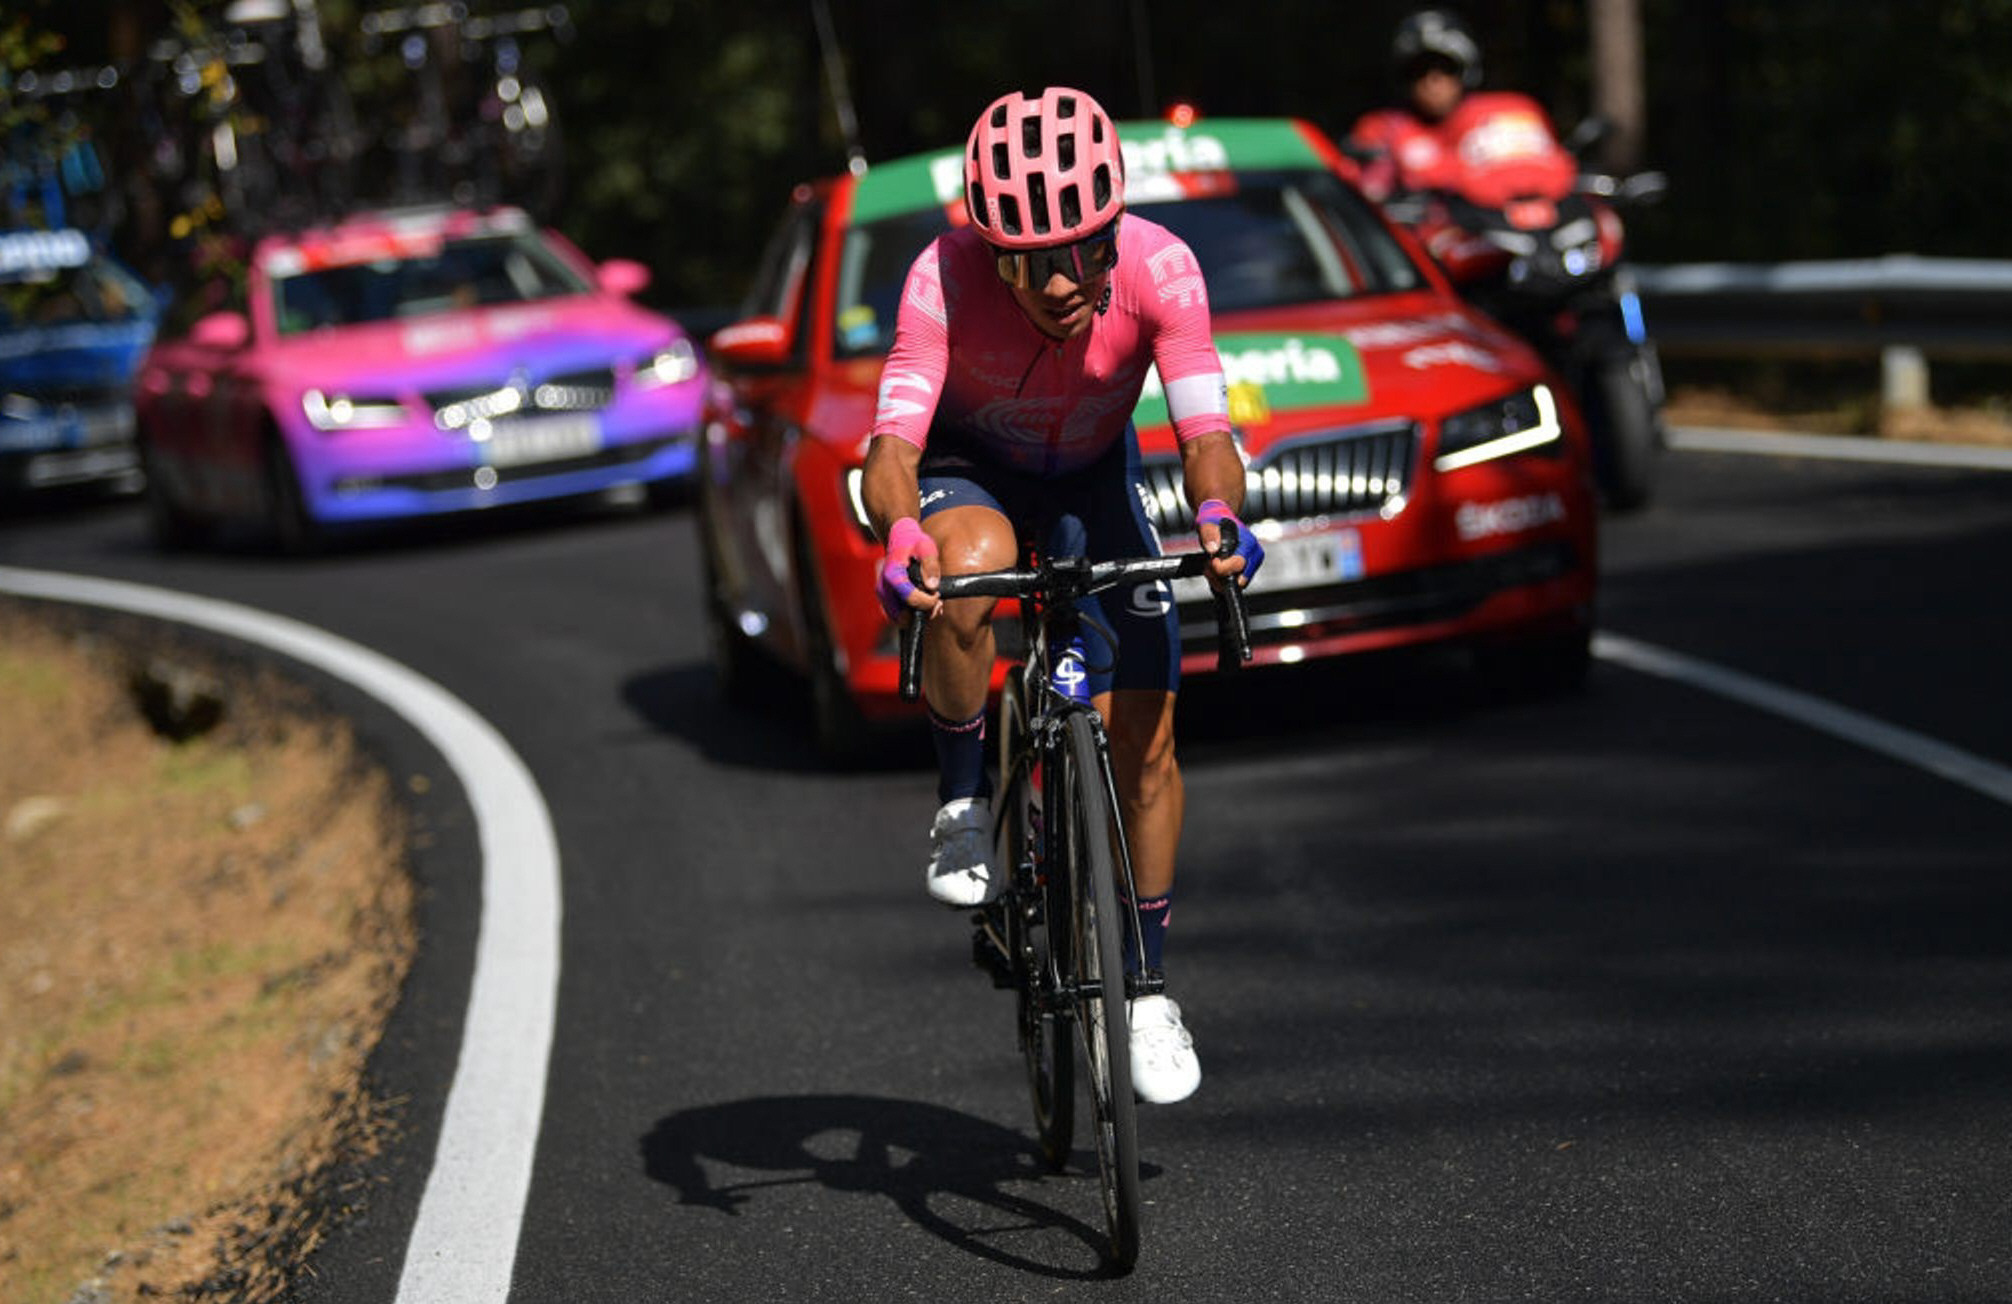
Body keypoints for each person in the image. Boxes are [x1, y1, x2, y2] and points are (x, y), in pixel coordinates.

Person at [858, 86, 1262, 1106]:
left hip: (1092, 477)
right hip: (969, 470)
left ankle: (1147, 989)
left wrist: (1218, 516)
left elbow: (1207, 433)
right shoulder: (939, 276)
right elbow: (891, 449)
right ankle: (963, 800)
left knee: (1148, 739)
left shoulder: (1163, 267)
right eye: (1024, 260)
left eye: (1081, 251)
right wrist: (901, 531)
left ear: (1113, 229)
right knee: (967, 565)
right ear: (987, 250)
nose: (1056, 282)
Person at [1346, 8, 1576, 210]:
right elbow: (1367, 190)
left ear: (1465, 70)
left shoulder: (1504, 114)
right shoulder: (1386, 130)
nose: (1432, 83)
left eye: (1445, 69)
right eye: (1419, 71)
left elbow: (1543, 173)